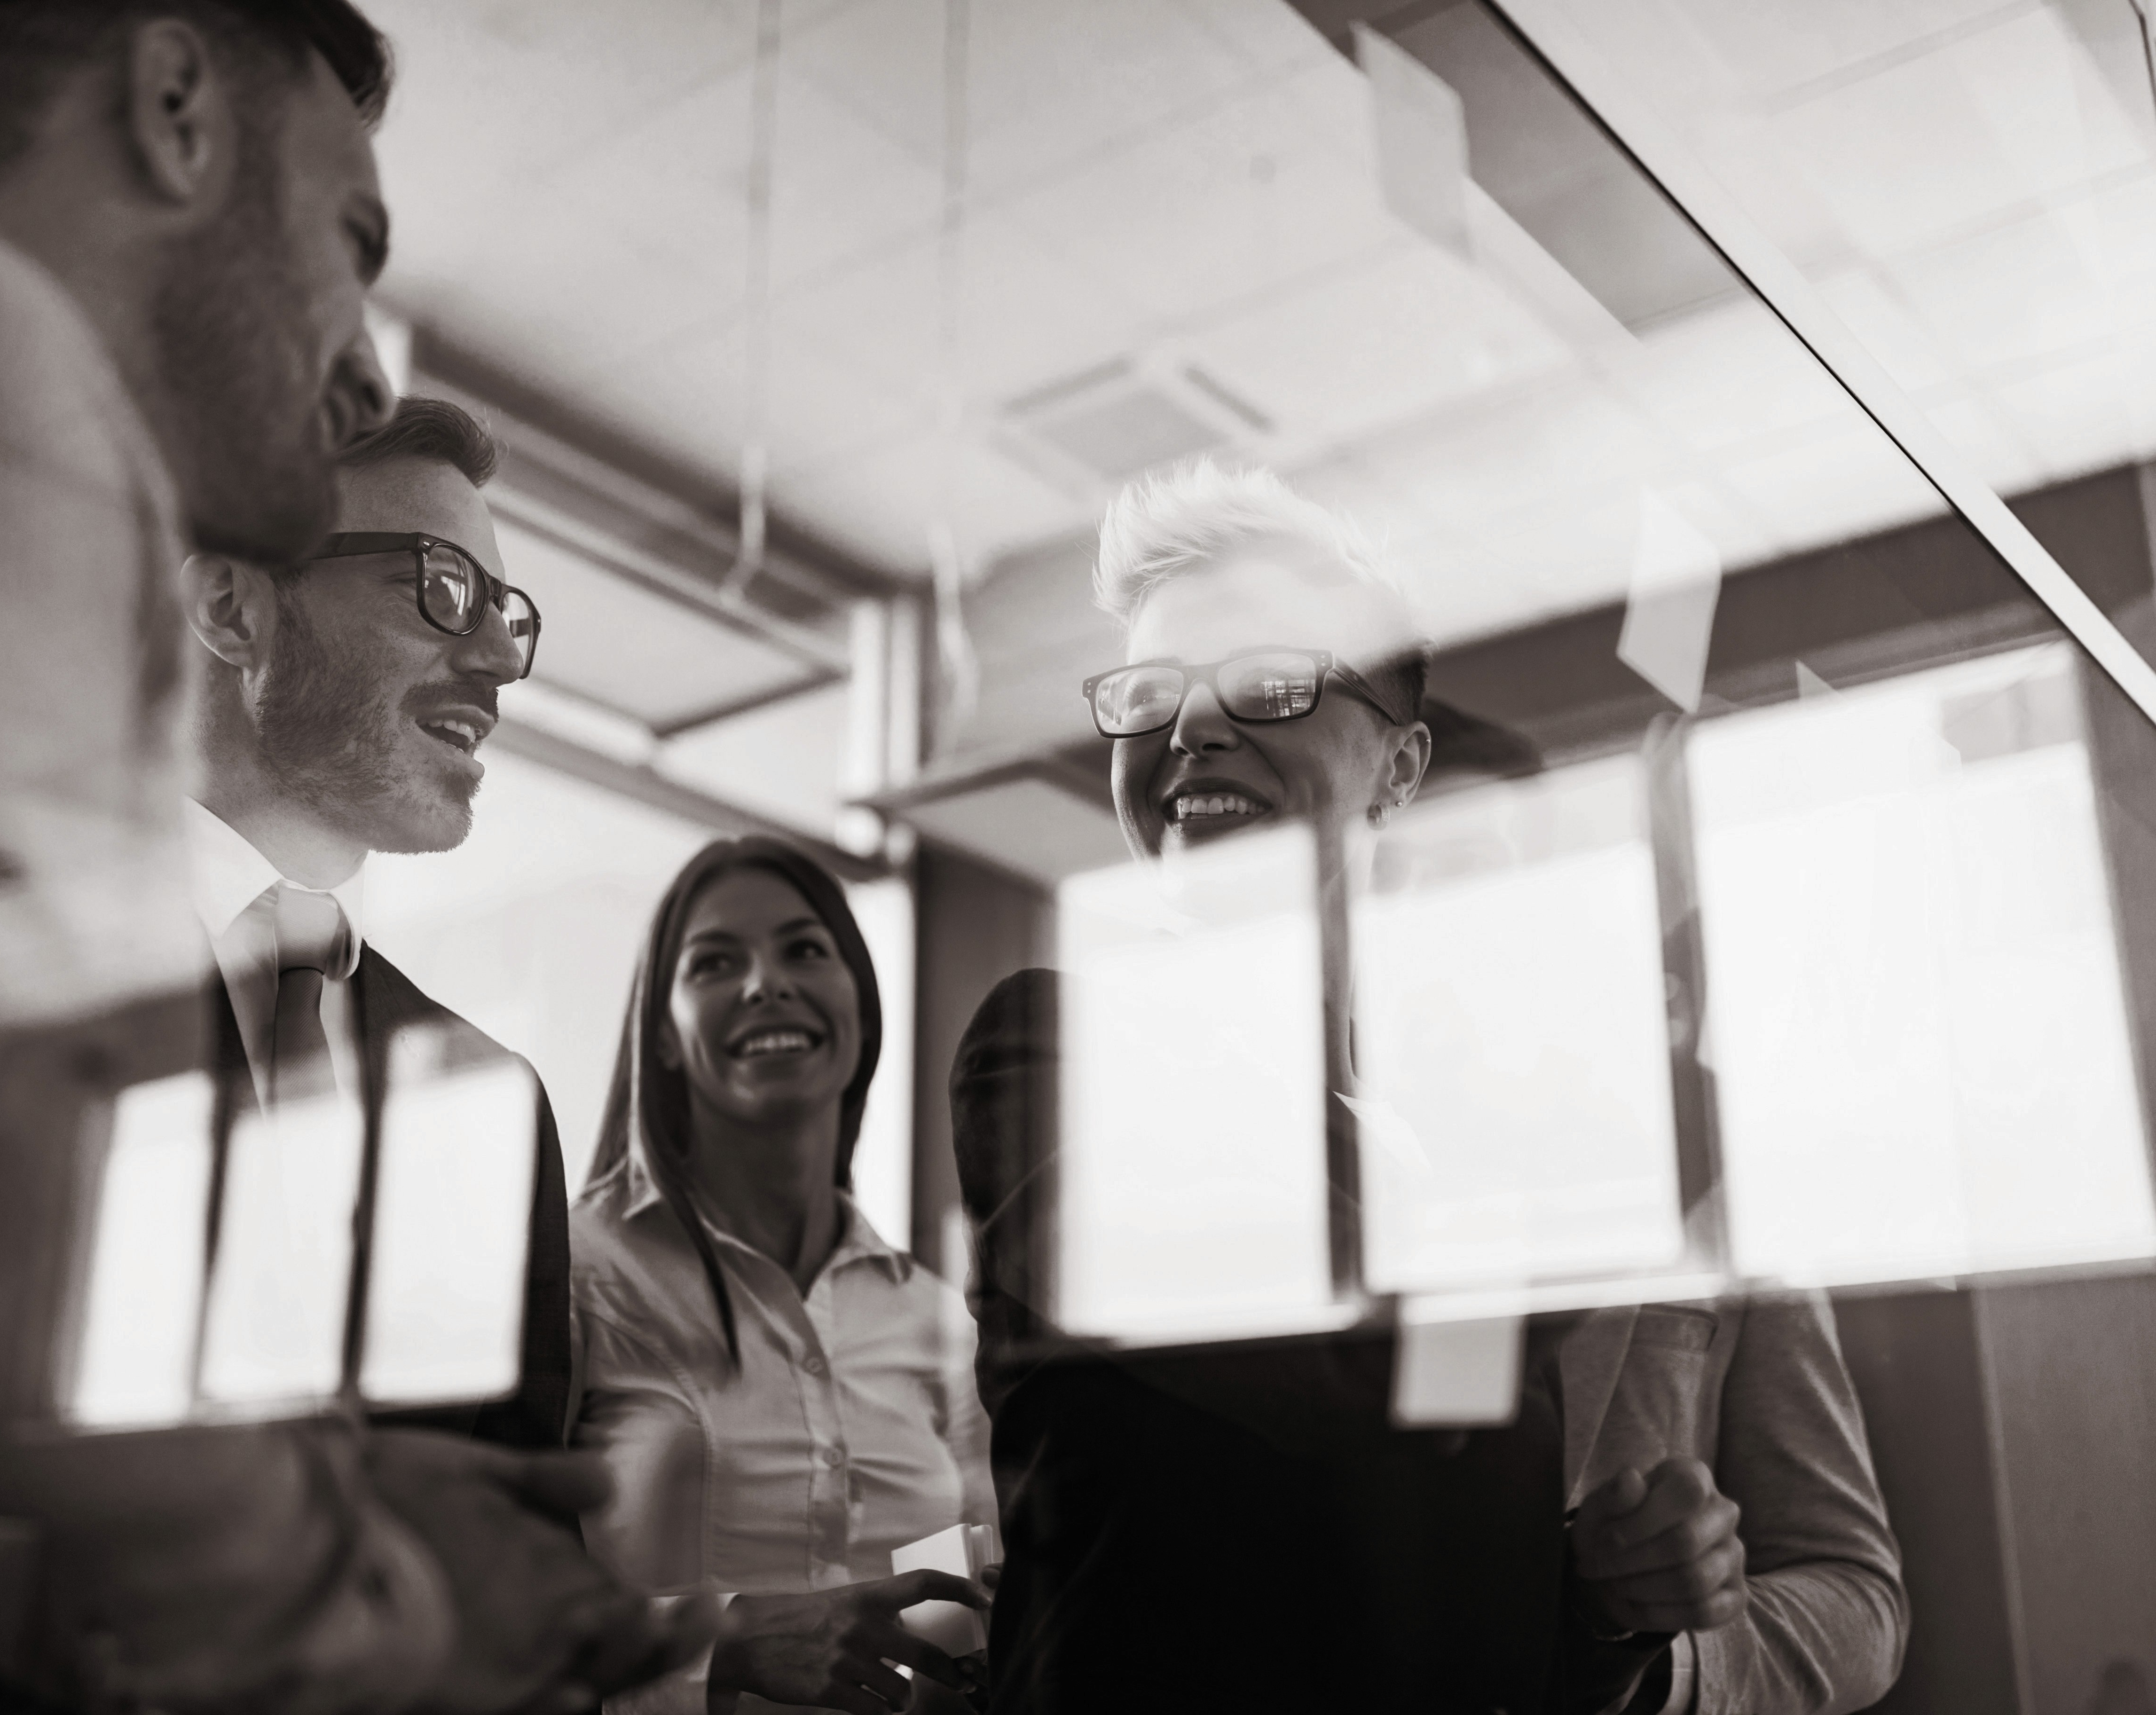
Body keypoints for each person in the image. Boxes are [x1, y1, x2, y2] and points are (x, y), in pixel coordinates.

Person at [0, 4, 682, 1708]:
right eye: (350, 238)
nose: (366, 370)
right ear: (173, 110)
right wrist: (387, 1598)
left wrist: (328, 1498)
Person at [951, 460, 1907, 1715]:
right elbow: (1350, 1375)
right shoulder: (1057, 1052)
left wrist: (1617, 1617)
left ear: (1397, 770)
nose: (1189, 725)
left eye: (1265, 677)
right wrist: (1689, 1108)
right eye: (1148, 692)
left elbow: (1455, 1599)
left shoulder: (1432, 1159)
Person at [170, 393, 709, 1709]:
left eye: (506, 617)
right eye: (441, 586)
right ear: (234, 607)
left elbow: (509, 1566)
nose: (498, 663)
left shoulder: (490, 1096)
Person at [574, 838, 996, 1715]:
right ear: (661, 1028)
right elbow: (468, 1610)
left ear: (861, 1007)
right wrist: (720, 1647)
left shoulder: (934, 1317)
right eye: (715, 963)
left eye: (805, 949)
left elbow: (991, 1600)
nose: (766, 982)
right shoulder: (576, 1274)